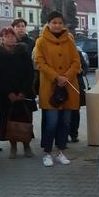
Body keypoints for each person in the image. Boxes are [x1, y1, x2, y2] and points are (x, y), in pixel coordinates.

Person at [34, 11, 80, 167]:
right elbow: (40, 63)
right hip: (50, 87)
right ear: (48, 23)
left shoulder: (70, 41)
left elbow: (76, 62)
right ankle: (47, 153)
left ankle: (61, 151)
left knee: (65, 122)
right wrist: (56, 77)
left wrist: (66, 76)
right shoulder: (41, 42)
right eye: (54, 22)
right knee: (52, 122)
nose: (57, 25)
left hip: (68, 86)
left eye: (60, 23)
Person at [0, 27, 37, 159]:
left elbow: (30, 73)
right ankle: (13, 146)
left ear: (16, 38)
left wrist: (23, 91)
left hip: (24, 92)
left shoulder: (23, 53)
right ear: (2, 38)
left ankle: (27, 145)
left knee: (25, 120)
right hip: (6, 94)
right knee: (9, 120)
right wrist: (8, 93)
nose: (10, 38)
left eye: (12, 36)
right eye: (6, 36)